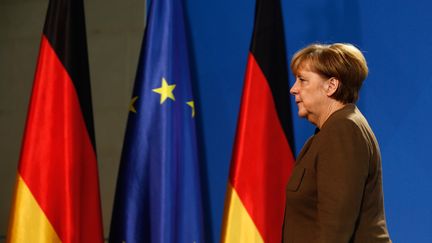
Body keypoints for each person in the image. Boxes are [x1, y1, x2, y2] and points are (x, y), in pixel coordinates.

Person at [282, 43, 391, 243]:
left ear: (331, 86)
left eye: (302, 80)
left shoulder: (343, 130)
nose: (293, 89)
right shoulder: (331, 132)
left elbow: (334, 230)